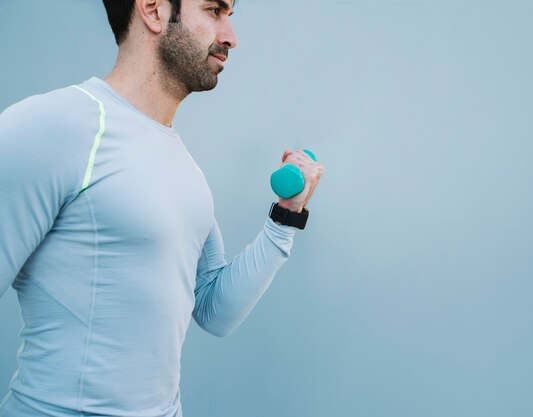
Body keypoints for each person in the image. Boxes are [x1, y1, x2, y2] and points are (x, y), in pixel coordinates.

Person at [0, 0, 324, 415]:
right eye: (213, 10)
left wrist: (285, 218)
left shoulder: (185, 168)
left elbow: (213, 308)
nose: (231, 37)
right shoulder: (56, 125)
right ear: (153, 10)